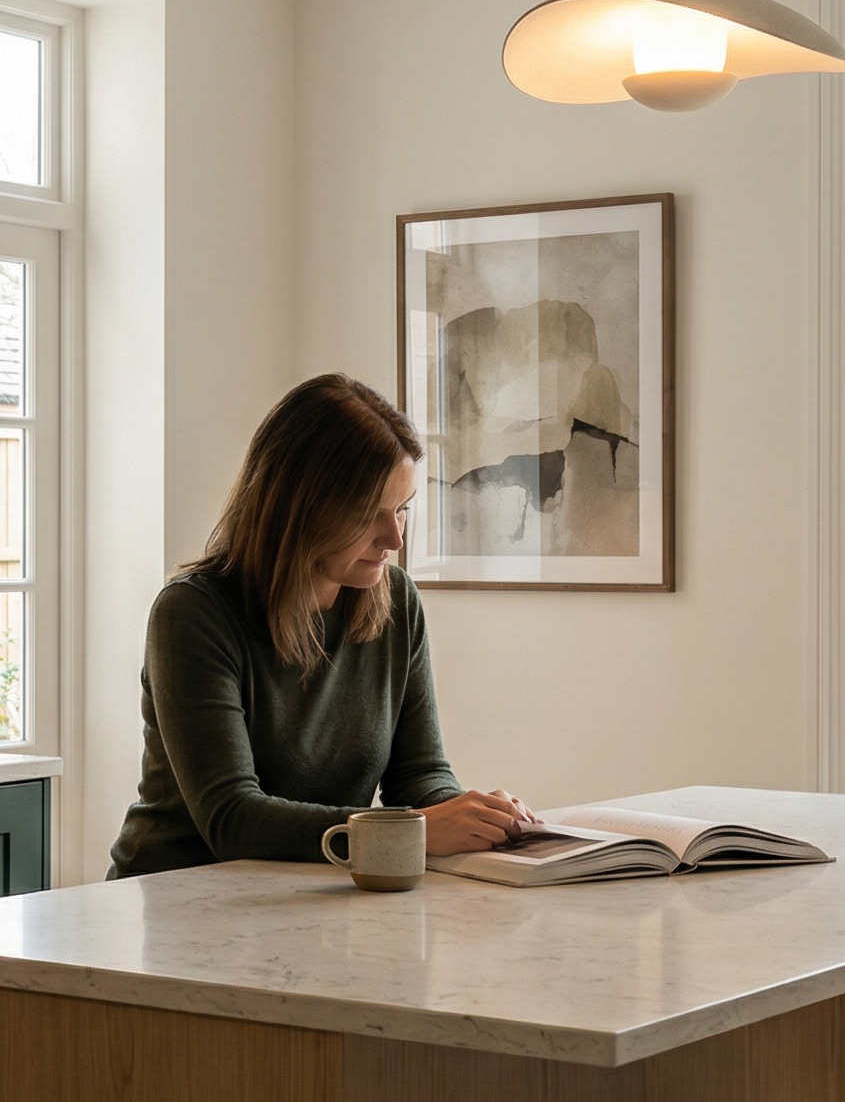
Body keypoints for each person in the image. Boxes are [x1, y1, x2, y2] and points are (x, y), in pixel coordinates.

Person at [108, 373, 535, 878]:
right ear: (298, 507)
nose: (395, 539)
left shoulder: (397, 601)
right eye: (368, 515)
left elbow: (419, 775)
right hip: (175, 895)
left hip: (311, 891)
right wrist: (415, 828)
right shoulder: (192, 614)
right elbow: (232, 819)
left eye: (402, 509)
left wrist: (475, 817)